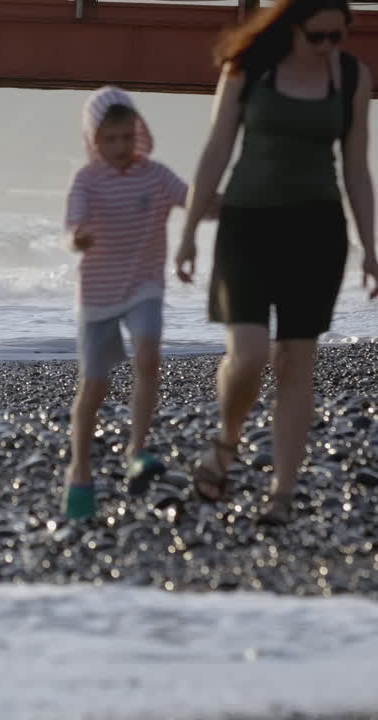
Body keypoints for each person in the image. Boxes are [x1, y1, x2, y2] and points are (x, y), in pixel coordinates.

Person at [175, 0, 378, 524]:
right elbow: (217, 147)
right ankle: (227, 439)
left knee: (296, 358)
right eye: (319, 36)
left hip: (317, 230)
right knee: (250, 352)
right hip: (248, 223)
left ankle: (282, 494)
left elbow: (356, 166)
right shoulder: (247, 67)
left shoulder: (352, 76)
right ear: (293, 26)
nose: (330, 46)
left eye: (339, 35)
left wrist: (371, 248)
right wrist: (191, 230)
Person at [62, 86, 212, 519]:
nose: (120, 147)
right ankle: (81, 471)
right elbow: (71, 228)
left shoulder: (156, 175)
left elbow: (193, 200)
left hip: (145, 285)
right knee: (95, 386)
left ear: (138, 133)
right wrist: (79, 238)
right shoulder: (86, 180)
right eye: (109, 140)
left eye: (127, 137)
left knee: (148, 355)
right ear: (94, 140)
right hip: (98, 296)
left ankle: (138, 450)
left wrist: (233, 205)